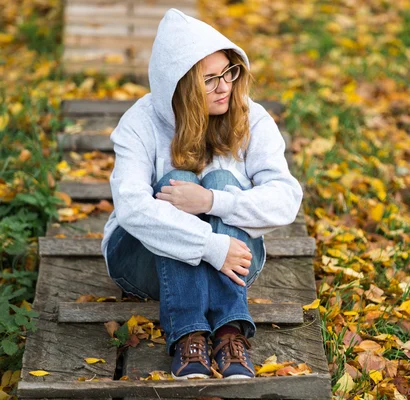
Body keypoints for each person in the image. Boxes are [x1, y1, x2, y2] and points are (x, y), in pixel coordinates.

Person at [100, 8, 303, 380]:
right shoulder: (140, 122)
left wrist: (213, 202)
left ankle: (228, 334)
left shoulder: (250, 118)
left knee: (223, 183)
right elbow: (131, 208)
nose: (224, 86)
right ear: (180, 85)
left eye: (228, 72)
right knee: (175, 179)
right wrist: (211, 246)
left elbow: (286, 198)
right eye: (209, 80)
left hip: (235, 261)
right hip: (142, 264)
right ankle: (189, 333)